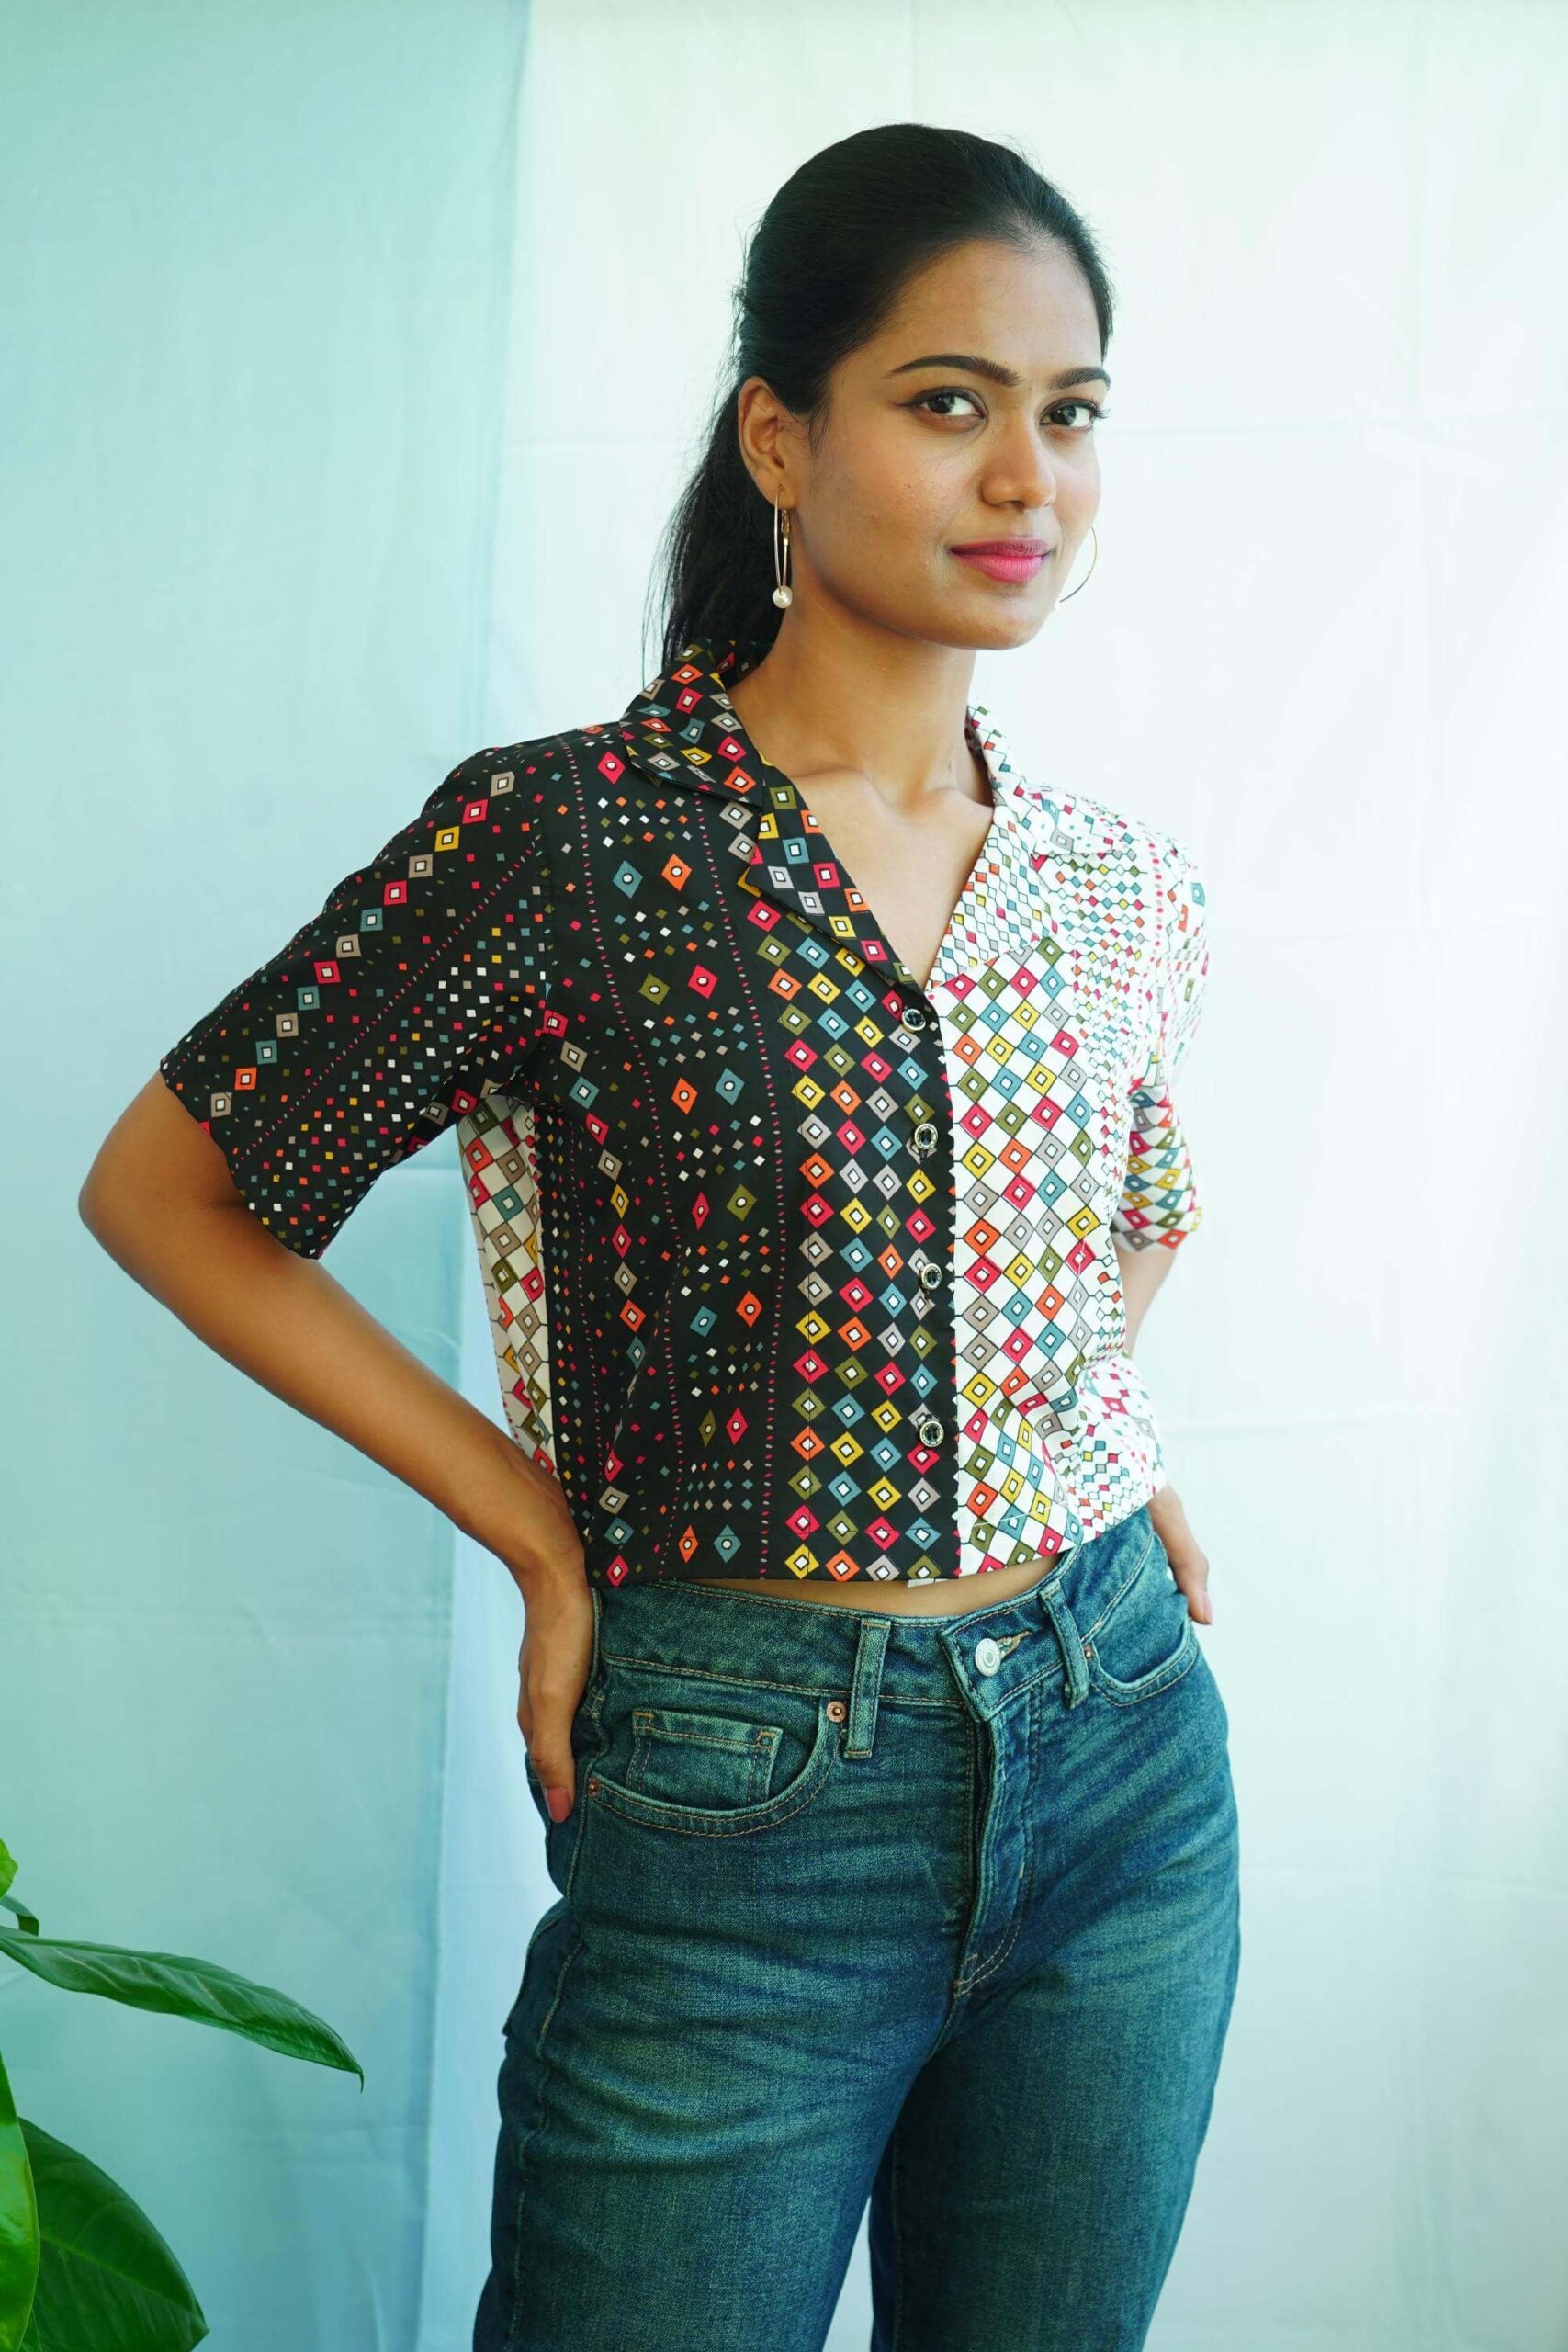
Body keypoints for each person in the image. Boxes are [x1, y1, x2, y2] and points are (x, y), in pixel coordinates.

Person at [80, 120, 1241, 2352]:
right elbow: (174, 1190)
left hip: (1122, 1759)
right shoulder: (571, 843)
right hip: (741, 1799)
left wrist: (1084, 1429)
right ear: (778, 436)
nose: (1025, 474)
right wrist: (533, 1529)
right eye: (947, 399)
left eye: (1069, 411)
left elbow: (1130, 1217)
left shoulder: (1115, 884)